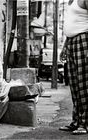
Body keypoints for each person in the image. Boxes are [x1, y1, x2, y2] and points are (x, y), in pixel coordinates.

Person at [59, 0, 88, 134]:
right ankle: (76, 121)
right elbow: (72, 25)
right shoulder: (71, 2)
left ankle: (85, 123)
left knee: (84, 84)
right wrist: (65, 46)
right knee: (74, 84)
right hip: (71, 41)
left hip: (83, 39)